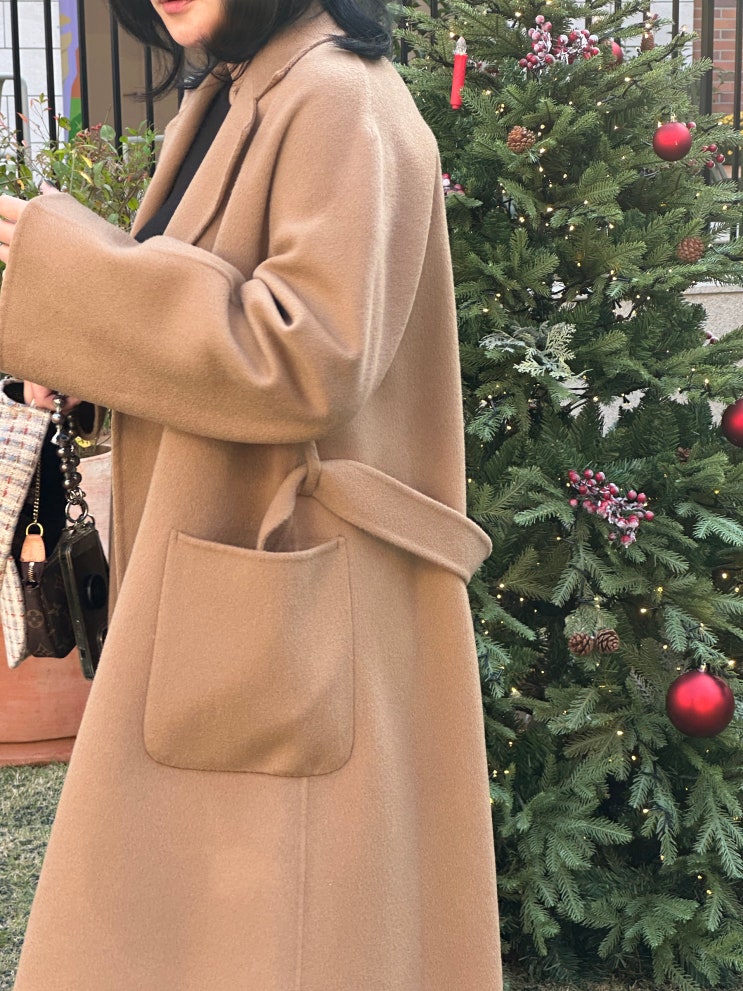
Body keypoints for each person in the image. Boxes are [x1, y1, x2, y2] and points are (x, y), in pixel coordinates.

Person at [0, 0, 502, 987]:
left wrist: (77, 278)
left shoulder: (338, 98)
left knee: (277, 932)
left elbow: (309, 355)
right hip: (236, 585)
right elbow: (211, 306)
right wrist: (80, 349)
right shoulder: (242, 87)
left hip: (292, 592)